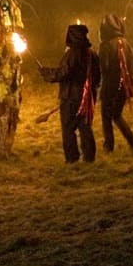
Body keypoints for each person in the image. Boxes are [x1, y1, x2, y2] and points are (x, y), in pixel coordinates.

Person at [39, 24, 101, 163]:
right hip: (87, 98)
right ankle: (89, 157)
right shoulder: (92, 54)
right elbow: (97, 77)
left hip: (70, 98)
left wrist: (47, 74)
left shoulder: (72, 54)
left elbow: (63, 73)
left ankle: (72, 159)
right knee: (85, 127)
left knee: (68, 129)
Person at [98, 14, 133, 152]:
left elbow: (103, 68)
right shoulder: (125, 42)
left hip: (111, 87)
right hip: (125, 86)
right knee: (116, 114)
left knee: (106, 117)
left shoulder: (105, 45)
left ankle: (109, 146)